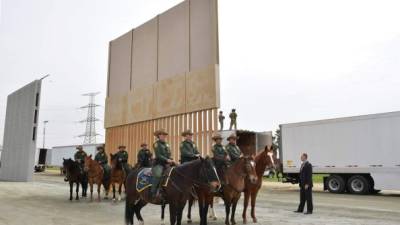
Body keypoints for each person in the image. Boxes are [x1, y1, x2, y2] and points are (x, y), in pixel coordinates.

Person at [151, 128, 175, 201]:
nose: (163, 136)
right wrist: (167, 160)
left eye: (164, 135)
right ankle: (153, 192)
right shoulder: (156, 144)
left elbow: (169, 153)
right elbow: (158, 155)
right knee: (158, 175)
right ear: (158, 136)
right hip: (159, 164)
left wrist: (170, 158)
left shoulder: (167, 144)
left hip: (167, 163)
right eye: (162, 135)